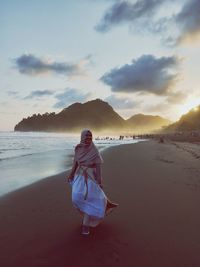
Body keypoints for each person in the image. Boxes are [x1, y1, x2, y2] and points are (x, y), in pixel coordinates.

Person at [67, 129, 118, 235]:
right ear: (82, 137)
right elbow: (75, 163)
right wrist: (71, 174)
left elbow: (99, 168)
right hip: (79, 177)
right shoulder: (78, 149)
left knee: (91, 199)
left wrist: (99, 181)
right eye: (86, 136)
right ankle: (107, 204)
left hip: (91, 178)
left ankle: (85, 225)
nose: (88, 139)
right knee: (76, 197)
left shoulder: (94, 151)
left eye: (90, 137)